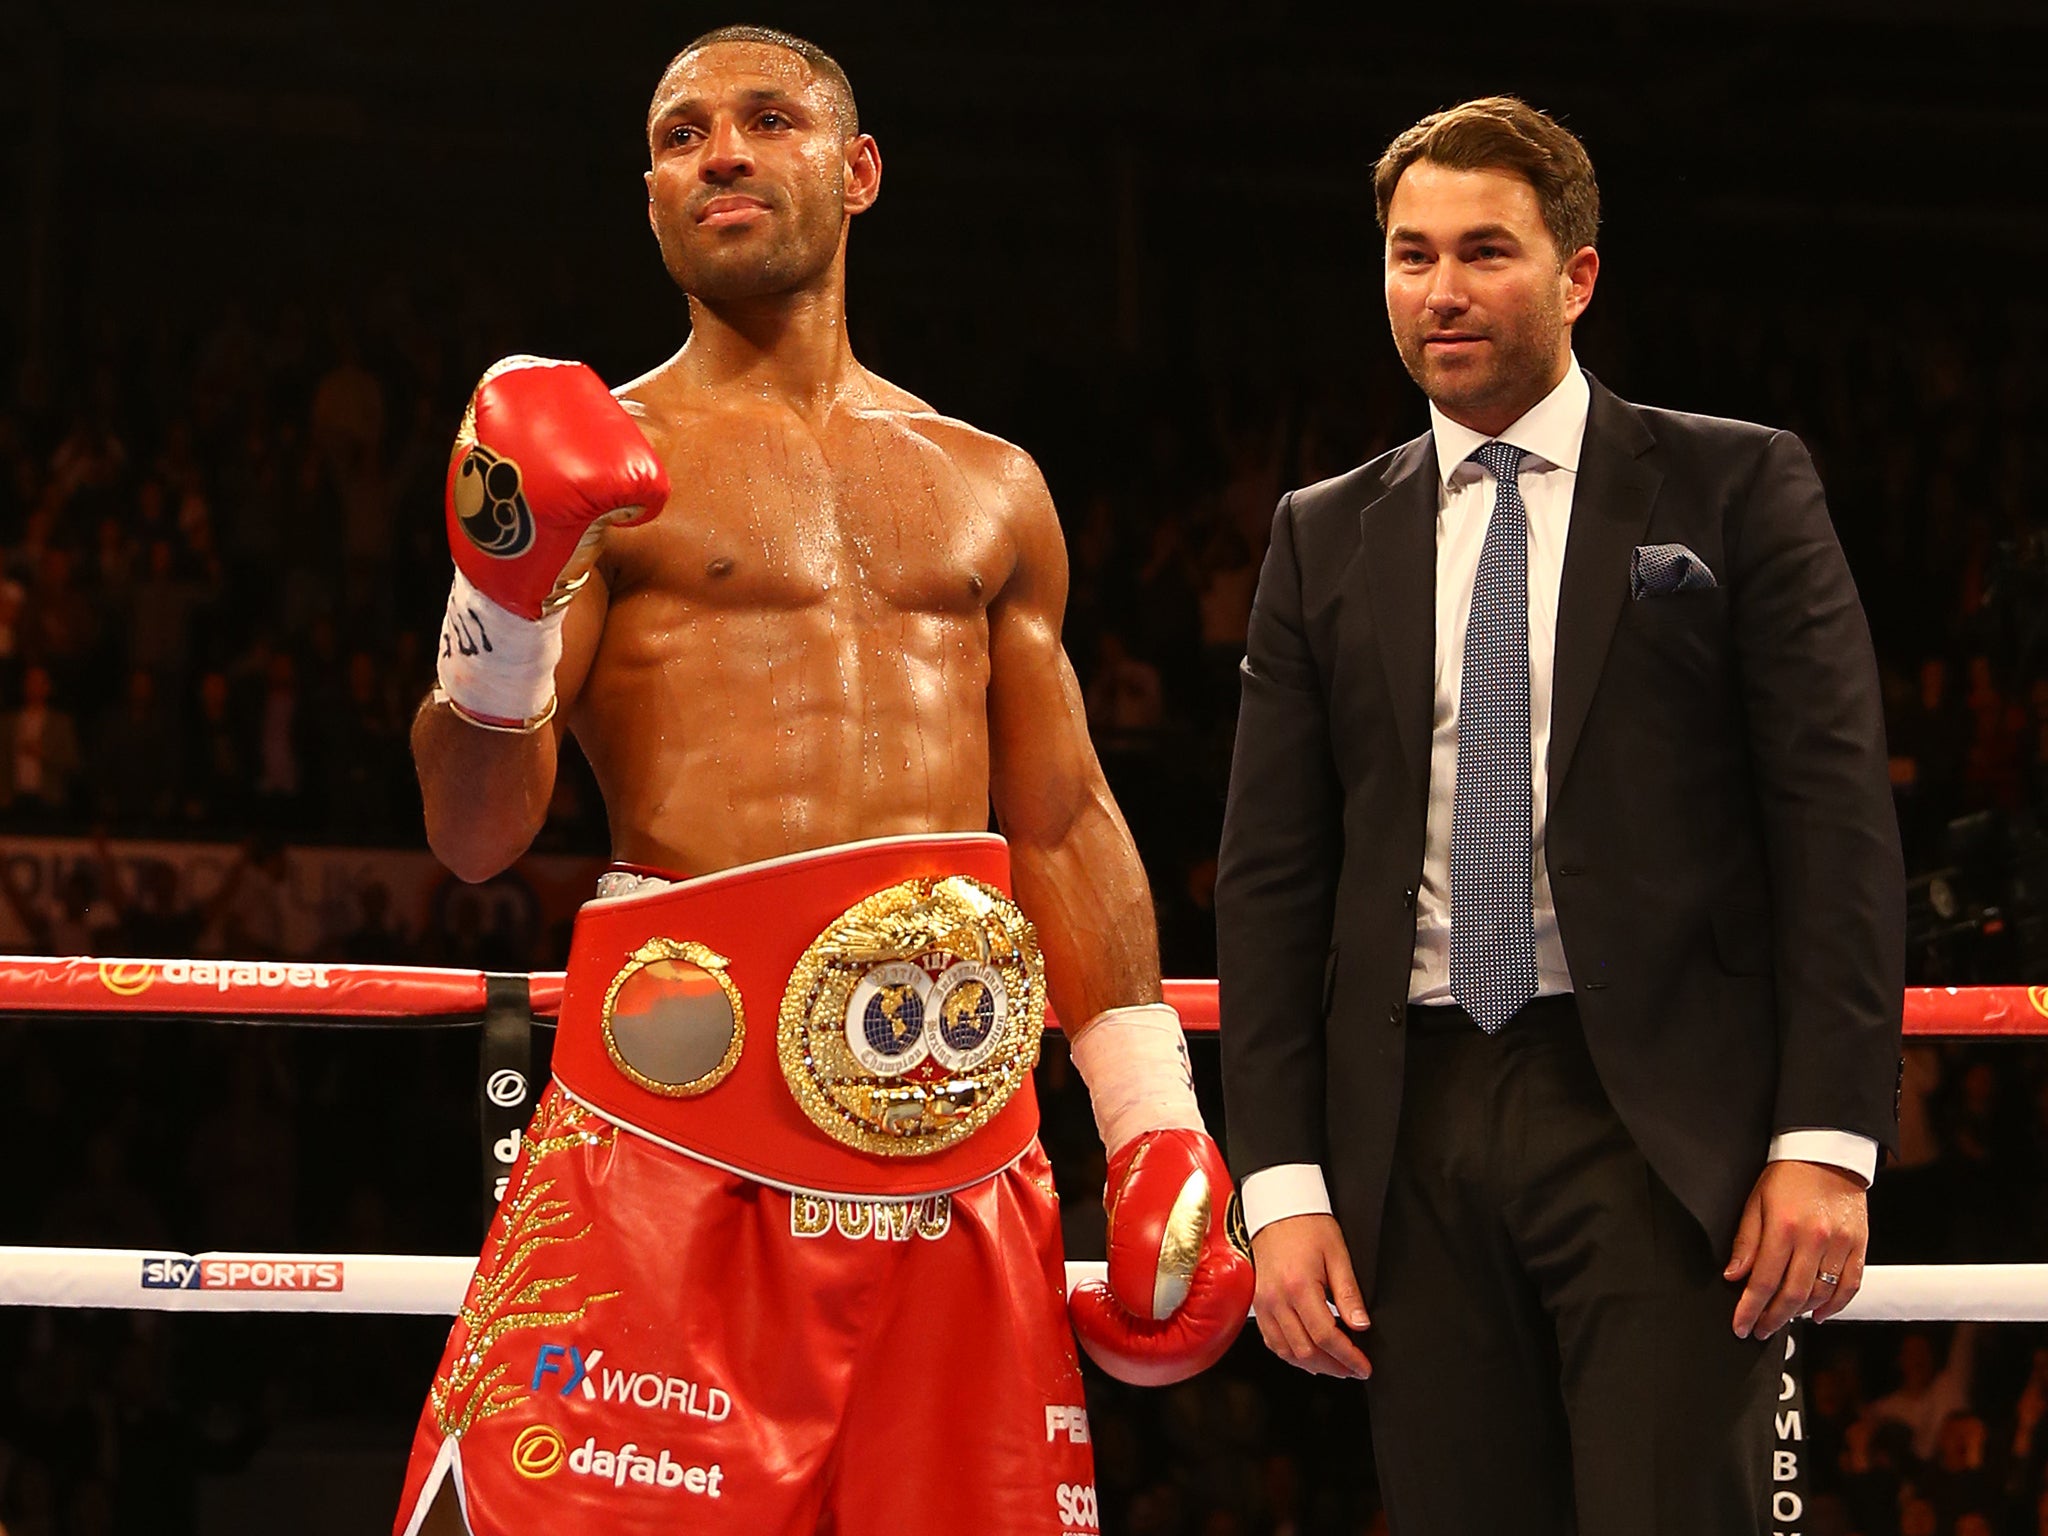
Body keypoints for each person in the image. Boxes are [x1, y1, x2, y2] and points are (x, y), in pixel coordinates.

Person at [394, 26, 1250, 1536]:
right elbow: (475, 834)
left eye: (765, 119)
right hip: (677, 1133)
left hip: (958, 1153)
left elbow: (1057, 818)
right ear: (649, 194)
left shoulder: (989, 481)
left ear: (856, 173)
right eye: (678, 135)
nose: (717, 151)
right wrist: (501, 607)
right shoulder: (602, 460)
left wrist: (1152, 1121)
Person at [1214, 96, 1903, 1534]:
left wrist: (1827, 1137)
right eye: (1410, 256)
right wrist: (1276, 1182)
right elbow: (1272, 882)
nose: (1442, 291)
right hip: (1406, 1118)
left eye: (1483, 252)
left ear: (1577, 274)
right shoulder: (1322, 531)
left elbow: (1834, 826)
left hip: (1656, 1112)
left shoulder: (1735, 481)